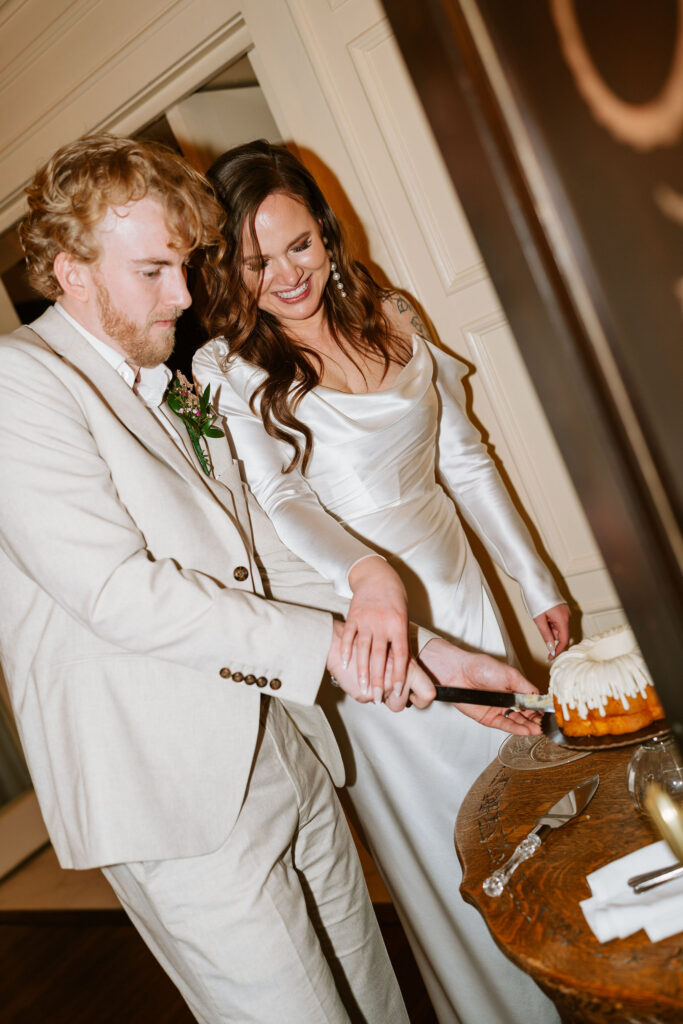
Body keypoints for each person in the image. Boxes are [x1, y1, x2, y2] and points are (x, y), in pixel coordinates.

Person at [0, 133, 545, 1024]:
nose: (182, 296)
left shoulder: (157, 380)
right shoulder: (18, 385)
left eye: (184, 266)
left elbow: (269, 558)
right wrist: (340, 638)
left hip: (288, 751)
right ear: (70, 273)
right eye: (151, 273)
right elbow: (119, 592)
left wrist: (439, 664)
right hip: (177, 798)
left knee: (377, 1004)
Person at [193, 140, 570, 1024]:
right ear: (229, 271)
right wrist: (368, 580)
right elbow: (280, 499)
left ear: (325, 233)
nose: (286, 276)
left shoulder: (392, 316)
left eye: (298, 245)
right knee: (457, 855)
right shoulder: (233, 370)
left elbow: (466, 463)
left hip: (465, 601)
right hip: (374, 642)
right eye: (256, 262)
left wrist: (536, 581)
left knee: (538, 816)